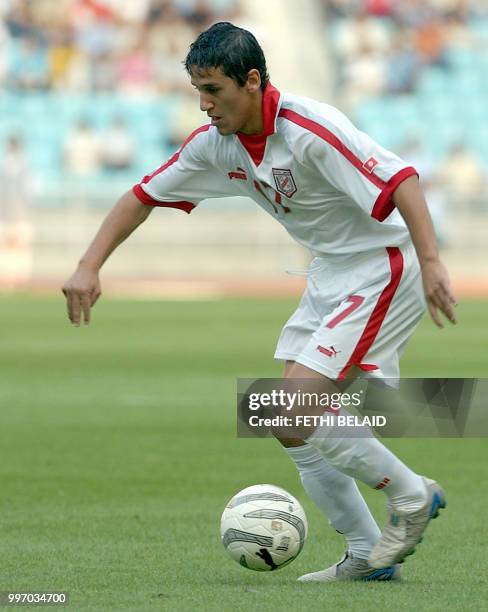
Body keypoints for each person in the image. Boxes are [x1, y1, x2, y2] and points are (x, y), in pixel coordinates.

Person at [62, 22, 456, 582]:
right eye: (197, 91)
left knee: (297, 404)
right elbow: (141, 196)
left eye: (213, 90)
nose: (203, 105)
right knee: (286, 419)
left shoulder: (309, 128)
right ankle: (367, 552)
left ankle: (412, 496)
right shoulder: (215, 145)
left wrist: (434, 263)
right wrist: (88, 264)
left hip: (381, 268)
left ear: (251, 81)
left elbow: (402, 180)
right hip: (330, 273)